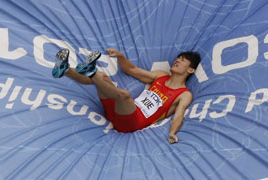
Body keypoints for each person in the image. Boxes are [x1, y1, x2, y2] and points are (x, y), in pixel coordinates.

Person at [52, 48, 200, 144]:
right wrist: (121, 56)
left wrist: (172, 133)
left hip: (131, 123)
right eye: (178, 57)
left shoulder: (184, 94)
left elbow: (179, 115)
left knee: (125, 95)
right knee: (103, 77)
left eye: (183, 59)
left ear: (191, 70)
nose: (178, 60)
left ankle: (91, 72)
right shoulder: (161, 76)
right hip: (118, 110)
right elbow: (132, 69)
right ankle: (64, 70)